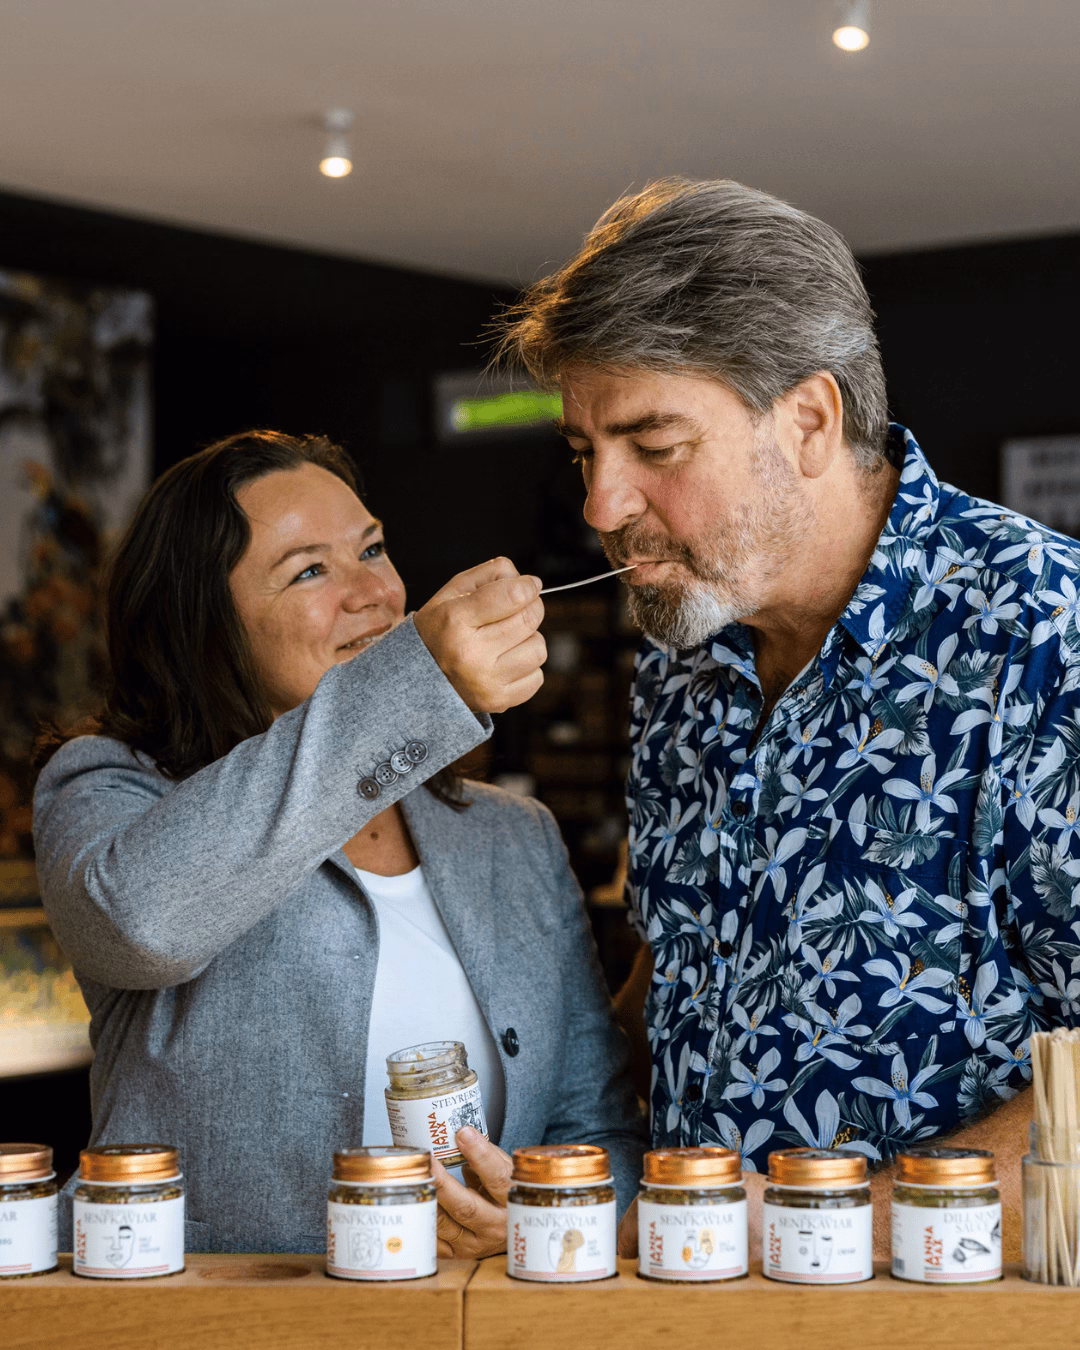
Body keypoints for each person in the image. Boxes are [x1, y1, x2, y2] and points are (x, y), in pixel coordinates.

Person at [496, 177, 1079, 1258]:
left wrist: (820, 1226)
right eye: (585, 453)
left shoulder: (1048, 634)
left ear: (809, 420)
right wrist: (540, 1149)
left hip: (945, 1322)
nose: (600, 505)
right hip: (683, 1305)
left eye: (655, 446)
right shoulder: (684, 651)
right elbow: (686, 974)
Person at [33, 429, 645, 1255]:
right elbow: (143, 926)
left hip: (467, 1312)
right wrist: (415, 679)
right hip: (206, 1311)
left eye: (373, 549)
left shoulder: (512, 835)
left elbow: (595, 1128)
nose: (376, 594)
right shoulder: (112, 790)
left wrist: (546, 1222)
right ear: (205, 627)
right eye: (309, 571)